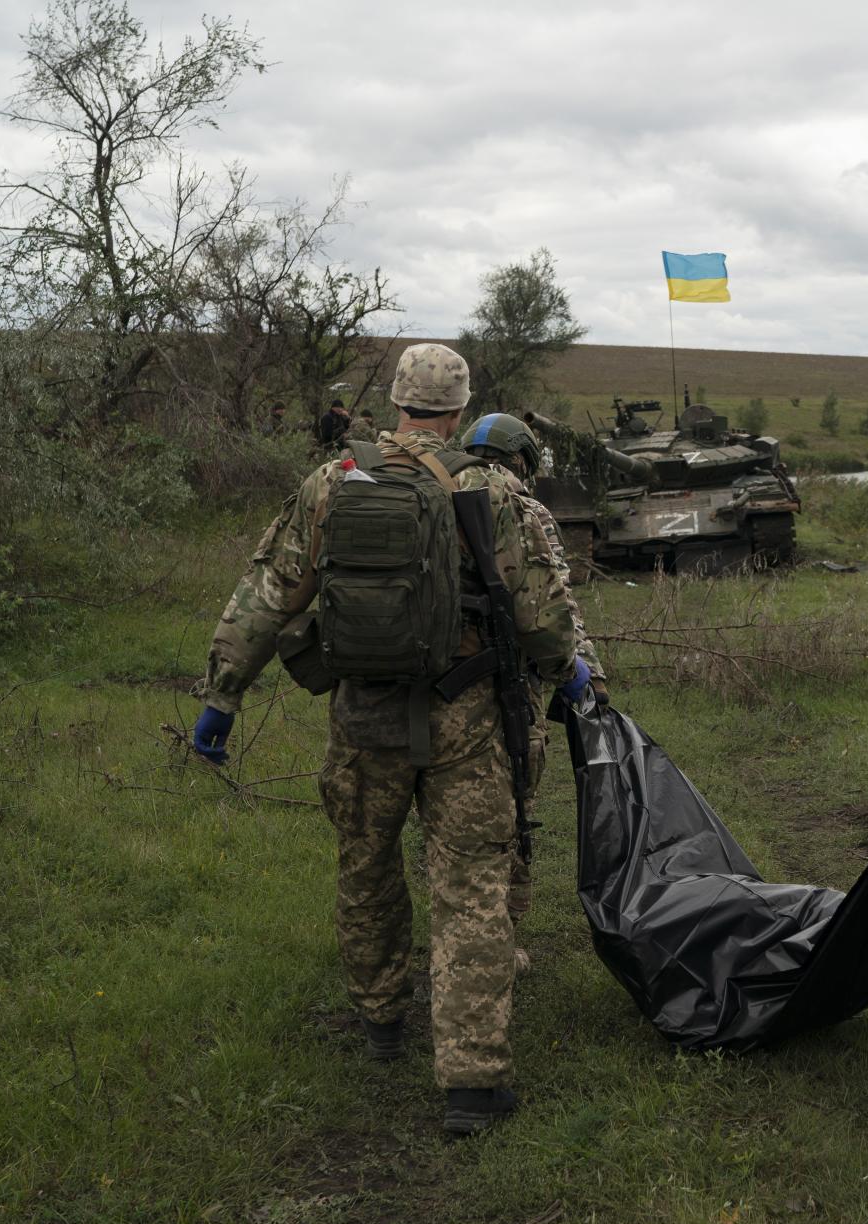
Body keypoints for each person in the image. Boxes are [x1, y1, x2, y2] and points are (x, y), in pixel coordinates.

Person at [188, 343, 588, 1135]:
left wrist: (222, 697)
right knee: (470, 886)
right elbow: (541, 616)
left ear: (397, 401)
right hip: (467, 714)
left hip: (363, 715)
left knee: (366, 866)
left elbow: (267, 593)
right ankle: (472, 1084)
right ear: (460, 410)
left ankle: (381, 1018)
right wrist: (570, 675)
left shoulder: (333, 482)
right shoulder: (492, 489)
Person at [458, 412, 605, 970]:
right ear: (523, 459)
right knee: (515, 809)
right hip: (511, 688)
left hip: (441, 690)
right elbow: (552, 604)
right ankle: (500, 940)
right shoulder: (526, 509)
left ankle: (458, 927)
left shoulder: (436, 493)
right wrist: (581, 671)